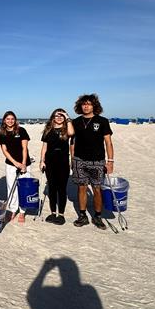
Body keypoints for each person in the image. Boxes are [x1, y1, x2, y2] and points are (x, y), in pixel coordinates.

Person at [71, 94, 114, 230]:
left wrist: (110, 161)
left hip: (97, 161)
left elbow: (108, 142)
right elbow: (72, 142)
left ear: (94, 106)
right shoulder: (76, 122)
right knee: (81, 188)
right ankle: (83, 216)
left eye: (89, 104)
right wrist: (72, 159)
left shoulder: (102, 121)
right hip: (79, 160)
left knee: (96, 188)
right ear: (80, 106)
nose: (86, 106)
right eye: (84, 104)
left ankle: (97, 216)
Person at [39, 108, 75, 225]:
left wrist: (67, 117)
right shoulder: (48, 130)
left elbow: (71, 133)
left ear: (65, 117)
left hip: (63, 162)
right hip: (50, 162)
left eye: (61, 116)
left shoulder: (66, 129)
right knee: (52, 188)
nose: (59, 117)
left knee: (61, 189)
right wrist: (41, 161)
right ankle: (53, 213)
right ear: (52, 117)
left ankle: (61, 214)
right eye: (56, 115)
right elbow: (44, 147)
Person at [0, 111, 32, 223]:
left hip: (24, 164)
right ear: (4, 120)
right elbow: (4, 150)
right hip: (11, 164)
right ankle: (13, 209)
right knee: (11, 188)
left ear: (15, 120)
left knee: (23, 188)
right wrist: (15, 163)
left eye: (12, 118)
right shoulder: (2, 133)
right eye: (7, 119)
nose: (10, 121)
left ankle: (22, 211)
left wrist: (22, 164)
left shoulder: (21, 130)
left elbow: (24, 148)